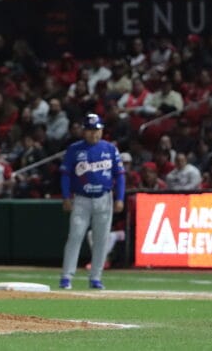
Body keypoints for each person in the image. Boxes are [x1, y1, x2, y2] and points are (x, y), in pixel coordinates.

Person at [58, 113, 124, 290]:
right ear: (83, 131)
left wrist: (120, 198)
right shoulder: (74, 149)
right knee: (75, 236)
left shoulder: (110, 149)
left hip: (104, 197)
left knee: (101, 239)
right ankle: (66, 276)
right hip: (81, 199)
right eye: (89, 130)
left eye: (96, 130)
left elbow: (120, 175)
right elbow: (65, 175)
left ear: (102, 130)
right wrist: (66, 197)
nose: (93, 134)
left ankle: (96, 277)